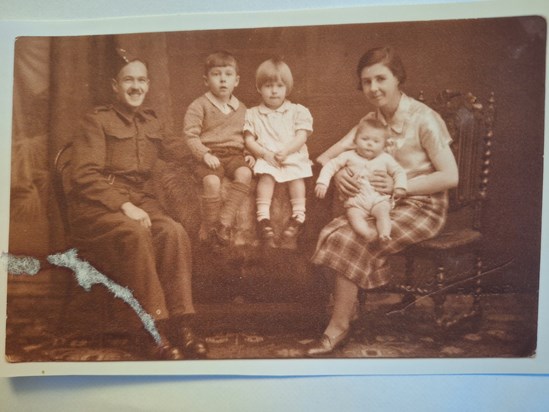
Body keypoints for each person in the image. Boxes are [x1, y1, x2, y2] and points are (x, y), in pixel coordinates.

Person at [306, 46, 458, 356]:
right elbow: (325, 158)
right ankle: (348, 310)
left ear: (397, 79)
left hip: (422, 205)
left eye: (380, 79)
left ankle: (338, 325)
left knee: (351, 239)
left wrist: (399, 187)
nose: (373, 88)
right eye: (366, 82)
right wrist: (337, 176)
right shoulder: (369, 122)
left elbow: (450, 176)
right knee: (330, 233)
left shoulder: (424, 119)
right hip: (378, 203)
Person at [68, 48, 208, 360]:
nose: (136, 87)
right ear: (114, 86)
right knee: (136, 234)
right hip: (98, 209)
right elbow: (84, 176)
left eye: (142, 80)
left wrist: (218, 155)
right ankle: (152, 329)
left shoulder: (151, 121)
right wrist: (123, 205)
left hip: (142, 203)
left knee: (173, 232)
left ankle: (183, 324)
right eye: (128, 80)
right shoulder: (95, 121)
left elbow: (178, 151)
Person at [183, 51, 254, 246]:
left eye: (228, 74)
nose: (223, 80)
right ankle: (211, 225)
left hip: (234, 154)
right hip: (210, 155)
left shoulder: (243, 109)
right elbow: (190, 135)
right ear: (206, 80)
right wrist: (204, 154)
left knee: (245, 174)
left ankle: (224, 221)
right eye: (216, 74)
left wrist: (248, 154)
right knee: (212, 181)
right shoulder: (199, 106)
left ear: (236, 80)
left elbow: (247, 136)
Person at [244, 57, 313, 246]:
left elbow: (301, 136)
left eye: (279, 86)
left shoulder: (298, 111)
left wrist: (287, 151)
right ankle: (263, 219)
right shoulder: (253, 114)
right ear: (259, 88)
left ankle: (299, 216)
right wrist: (264, 154)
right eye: (268, 86)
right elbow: (249, 139)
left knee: (296, 176)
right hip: (268, 156)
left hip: (291, 153)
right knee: (266, 176)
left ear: (287, 88)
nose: (274, 91)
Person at [315, 117, 407, 242]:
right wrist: (322, 182)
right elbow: (330, 165)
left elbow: (399, 172)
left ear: (384, 145)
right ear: (355, 140)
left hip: (378, 199)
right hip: (356, 201)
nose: (370, 144)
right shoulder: (348, 156)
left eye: (376, 141)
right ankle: (366, 233)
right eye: (365, 139)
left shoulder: (385, 159)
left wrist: (400, 187)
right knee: (354, 216)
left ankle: (384, 234)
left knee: (383, 213)